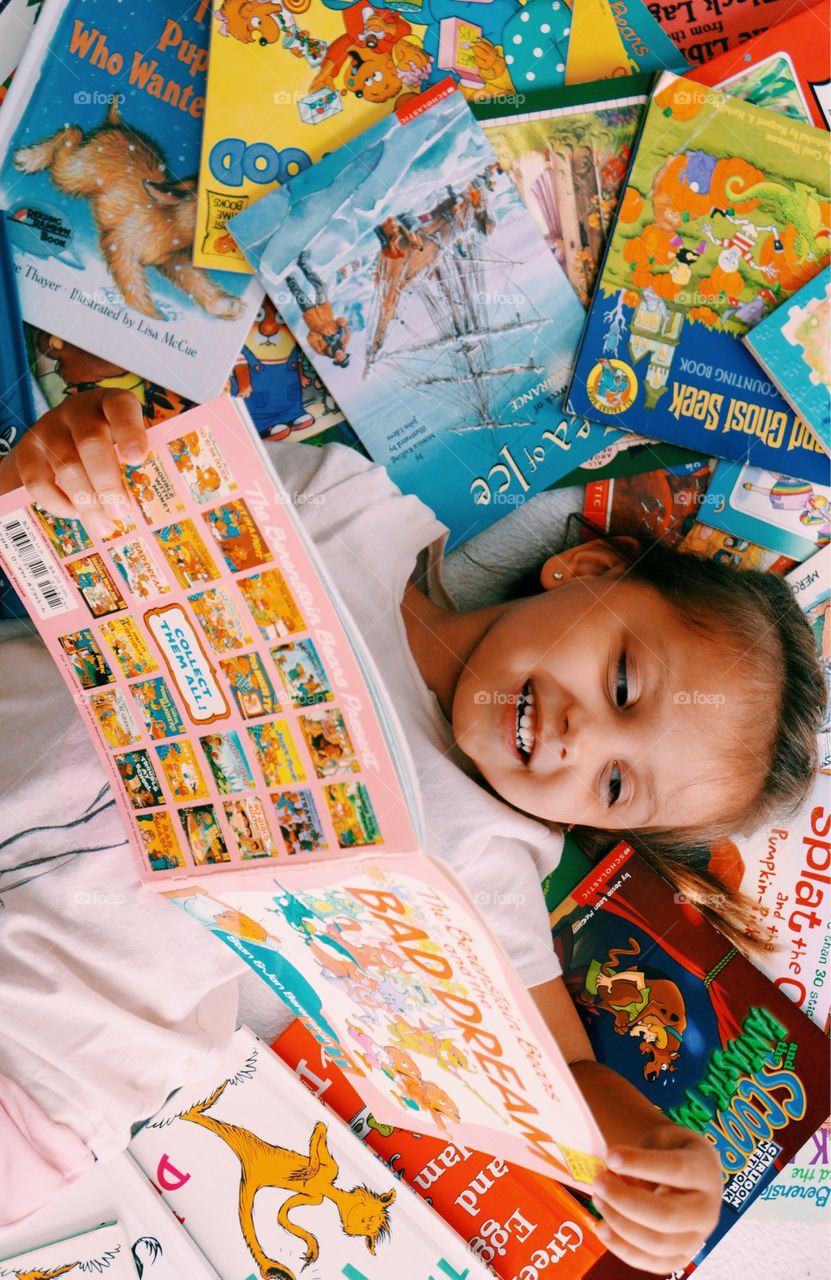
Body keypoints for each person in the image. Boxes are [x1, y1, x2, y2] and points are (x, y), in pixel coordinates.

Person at [0, 389, 824, 1271]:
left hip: (45, 1062)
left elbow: (560, 1080)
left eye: (616, 784)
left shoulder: (482, 864)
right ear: (582, 570)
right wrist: (65, 452)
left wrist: (649, 1163)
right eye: (623, 683)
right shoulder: (338, 512)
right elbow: (67, 518)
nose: (582, 739)